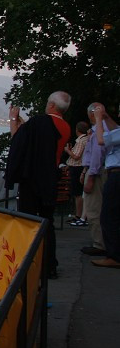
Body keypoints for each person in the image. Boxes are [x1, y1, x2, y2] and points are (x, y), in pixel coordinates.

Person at [4, 90, 72, 279]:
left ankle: (26, 264)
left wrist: (12, 120)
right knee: (47, 222)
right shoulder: (65, 126)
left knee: (27, 221)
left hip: (32, 178)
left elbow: (18, 141)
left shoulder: (39, 123)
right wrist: (24, 123)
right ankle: (49, 264)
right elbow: (41, 142)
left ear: (51, 105)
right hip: (50, 178)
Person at [90, 104, 120, 269]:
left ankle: (114, 256)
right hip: (115, 174)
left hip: (116, 175)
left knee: (109, 216)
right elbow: (115, 128)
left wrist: (99, 119)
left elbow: (101, 140)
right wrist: (106, 117)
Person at [80, 104, 108, 256]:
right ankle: (104, 241)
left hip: (96, 172)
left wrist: (90, 175)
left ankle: (99, 243)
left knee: (93, 207)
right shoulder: (106, 128)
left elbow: (97, 154)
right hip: (102, 170)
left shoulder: (98, 129)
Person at [65, 121, 90, 225]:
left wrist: (67, 150)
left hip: (77, 168)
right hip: (79, 168)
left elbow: (76, 156)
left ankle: (78, 215)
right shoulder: (87, 139)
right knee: (78, 193)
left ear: (77, 130)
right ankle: (80, 215)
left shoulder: (81, 141)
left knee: (77, 193)